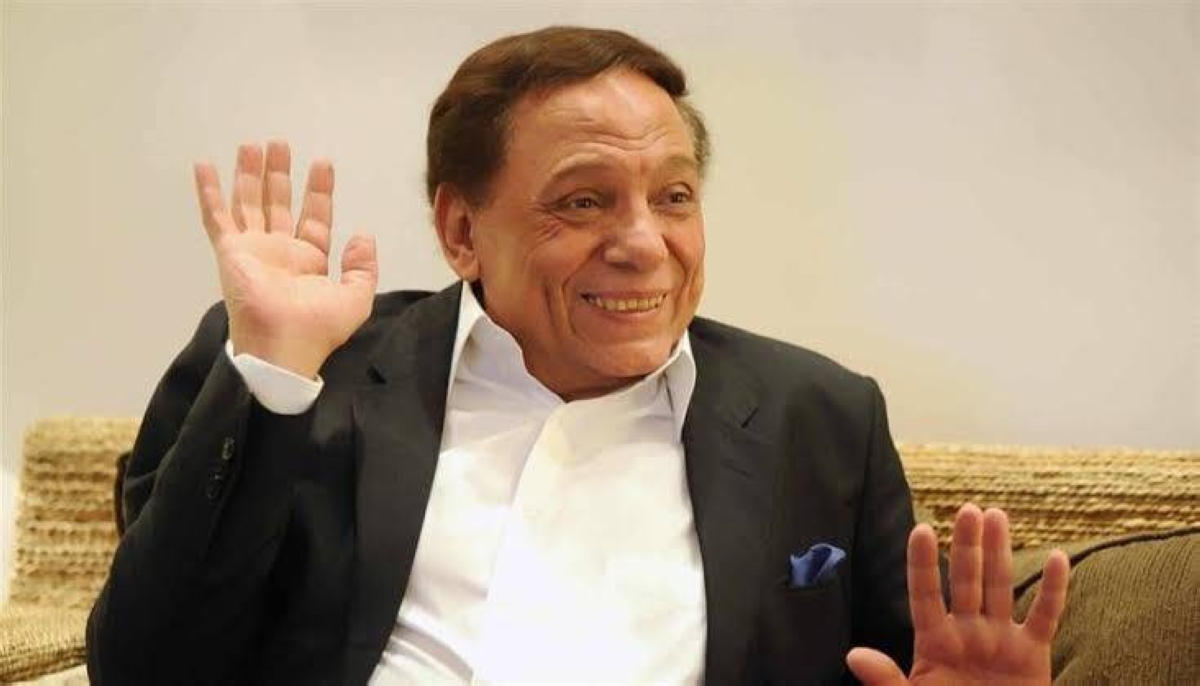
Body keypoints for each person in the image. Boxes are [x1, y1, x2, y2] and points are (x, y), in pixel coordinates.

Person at [87, 26, 1069, 685]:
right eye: (584, 200)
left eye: (673, 196)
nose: (644, 243)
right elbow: (144, 667)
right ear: (461, 231)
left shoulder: (820, 417)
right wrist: (268, 376)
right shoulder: (308, 372)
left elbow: (906, 664)